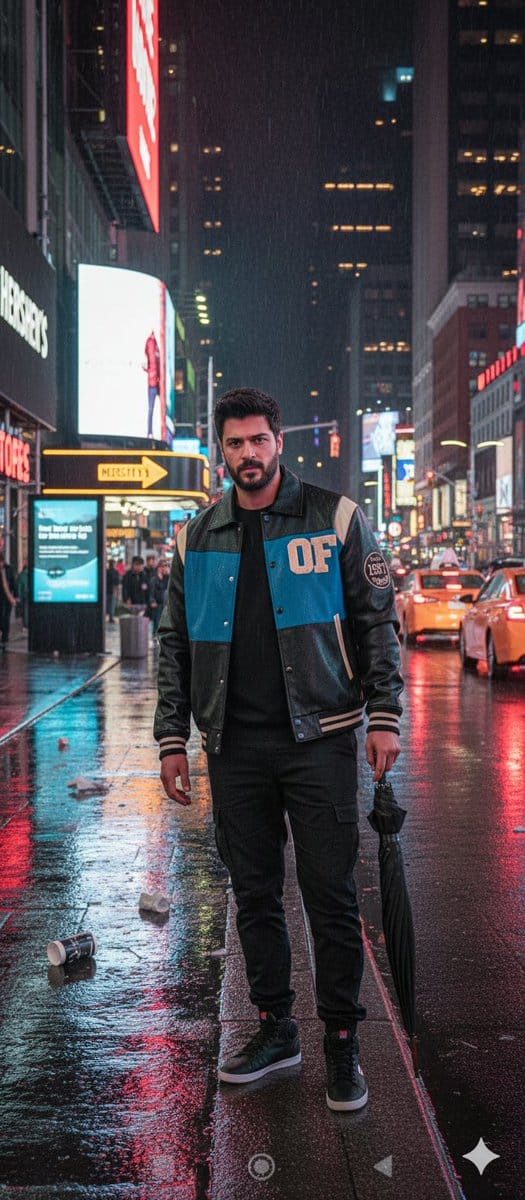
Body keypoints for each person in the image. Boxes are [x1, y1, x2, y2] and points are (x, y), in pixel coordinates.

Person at [154, 388, 403, 1112]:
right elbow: (172, 642)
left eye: (258, 440)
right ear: (221, 451)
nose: (248, 454)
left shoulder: (335, 518)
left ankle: (341, 1043)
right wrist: (173, 737)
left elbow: (377, 623)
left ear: (279, 441)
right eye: (234, 444)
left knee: (329, 899)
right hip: (232, 747)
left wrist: (382, 716)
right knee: (253, 896)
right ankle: (275, 1027)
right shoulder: (196, 535)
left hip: (321, 740)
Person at [143, 331, 160, 438]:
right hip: (154, 383)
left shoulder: (152, 344)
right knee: (151, 408)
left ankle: (150, 431)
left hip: (154, 382)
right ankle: (150, 431)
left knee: (152, 408)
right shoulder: (153, 344)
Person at [147, 559, 170, 640]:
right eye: (163, 566)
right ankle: (155, 634)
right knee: (157, 620)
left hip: (167, 604)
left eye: (166, 566)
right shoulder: (154, 579)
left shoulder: (169, 578)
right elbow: (151, 593)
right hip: (158, 603)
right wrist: (152, 601)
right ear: (159, 568)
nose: (164, 568)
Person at [0, 551, 18, 649]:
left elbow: (14, 583)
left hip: (8, 597)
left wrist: (16, 595)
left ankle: (5, 637)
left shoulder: (9, 569)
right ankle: (3, 633)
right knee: (2, 617)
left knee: (6, 617)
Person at [106, 558, 120, 623]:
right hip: (112, 590)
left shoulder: (106, 571)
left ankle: (107, 616)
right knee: (112, 604)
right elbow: (117, 582)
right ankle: (111, 617)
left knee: (107, 604)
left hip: (106, 590)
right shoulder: (115, 572)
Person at [16, 561, 29, 629]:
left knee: (25, 610)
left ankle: (25, 625)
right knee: (27, 610)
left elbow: (18, 587)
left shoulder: (21, 575)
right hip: (30, 595)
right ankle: (26, 624)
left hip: (24, 595)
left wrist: (18, 597)